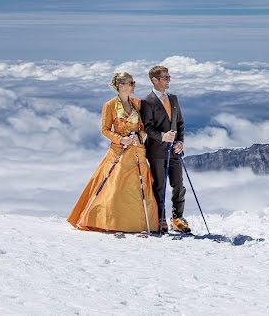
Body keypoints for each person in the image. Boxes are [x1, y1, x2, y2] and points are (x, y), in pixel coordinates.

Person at [68, 72, 159, 233]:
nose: (134, 86)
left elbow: (144, 127)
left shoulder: (137, 104)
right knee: (114, 186)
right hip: (119, 151)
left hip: (137, 150)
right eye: (131, 83)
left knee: (140, 186)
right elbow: (104, 129)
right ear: (121, 86)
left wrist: (140, 136)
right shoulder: (109, 105)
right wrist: (120, 139)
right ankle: (111, 221)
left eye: (133, 82)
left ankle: (141, 223)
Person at [141, 65, 190, 233]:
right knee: (159, 186)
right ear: (155, 80)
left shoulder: (174, 99)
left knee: (179, 185)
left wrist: (180, 142)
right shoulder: (147, 102)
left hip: (175, 150)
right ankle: (160, 219)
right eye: (165, 77)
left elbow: (180, 124)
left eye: (169, 77)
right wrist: (162, 136)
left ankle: (177, 218)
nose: (169, 80)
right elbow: (147, 127)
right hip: (156, 151)